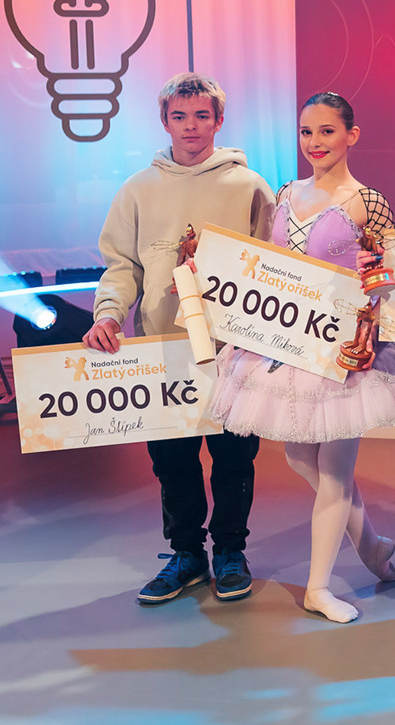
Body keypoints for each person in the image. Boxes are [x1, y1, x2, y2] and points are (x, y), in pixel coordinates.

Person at [206, 92, 395, 623]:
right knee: (300, 456)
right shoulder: (286, 192)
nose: (315, 142)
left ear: (352, 135)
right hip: (286, 343)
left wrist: (376, 279)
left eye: (327, 131)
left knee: (335, 470)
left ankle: (318, 588)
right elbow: (266, 265)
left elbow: (392, 276)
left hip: (341, 350)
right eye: (307, 131)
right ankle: (371, 546)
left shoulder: (367, 201)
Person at [86, 73, 275, 606]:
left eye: (201, 116)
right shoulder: (138, 189)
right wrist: (109, 314)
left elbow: (271, 263)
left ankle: (231, 551)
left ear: (219, 121)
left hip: (231, 348)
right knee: (172, 459)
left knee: (234, 456)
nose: (191, 126)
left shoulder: (249, 187)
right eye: (179, 116)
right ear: (164, 122)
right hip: (163, 349)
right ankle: (188, 553)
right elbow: (121, 266)